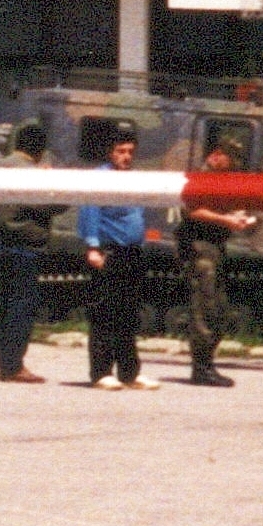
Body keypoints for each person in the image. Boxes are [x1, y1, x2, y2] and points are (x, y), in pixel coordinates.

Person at [0, 121, 58, 383]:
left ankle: (5, 363)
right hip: (24, 246)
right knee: (20, 305)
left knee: (1, 305)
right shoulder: (35, 174)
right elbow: (55, 205)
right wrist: (51, 180)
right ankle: (15, 365)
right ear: (40, 149)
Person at [77, 128, 159, 390]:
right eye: (120, 151)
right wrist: (92, 247)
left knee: (128, 314)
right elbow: (89, 213)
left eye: (130, 152)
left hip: (131, 252)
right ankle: (101, 372)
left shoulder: (132, 178)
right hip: (108, 252)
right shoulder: (100, 178)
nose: (126, 157)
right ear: (109, 152)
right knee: (105, 313)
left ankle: (129, 372)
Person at [181, 141, 253, 386]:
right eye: (228, 157)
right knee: (205, 305)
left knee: (218, 306)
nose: (231, 163)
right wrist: (226, 220)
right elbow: (193, 211)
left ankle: (206, 363)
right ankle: (201, 368)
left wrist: (238, 216)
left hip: (214, 247)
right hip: (200, 247)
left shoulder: (223, 179)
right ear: (217, 155)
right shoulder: (201, 178)